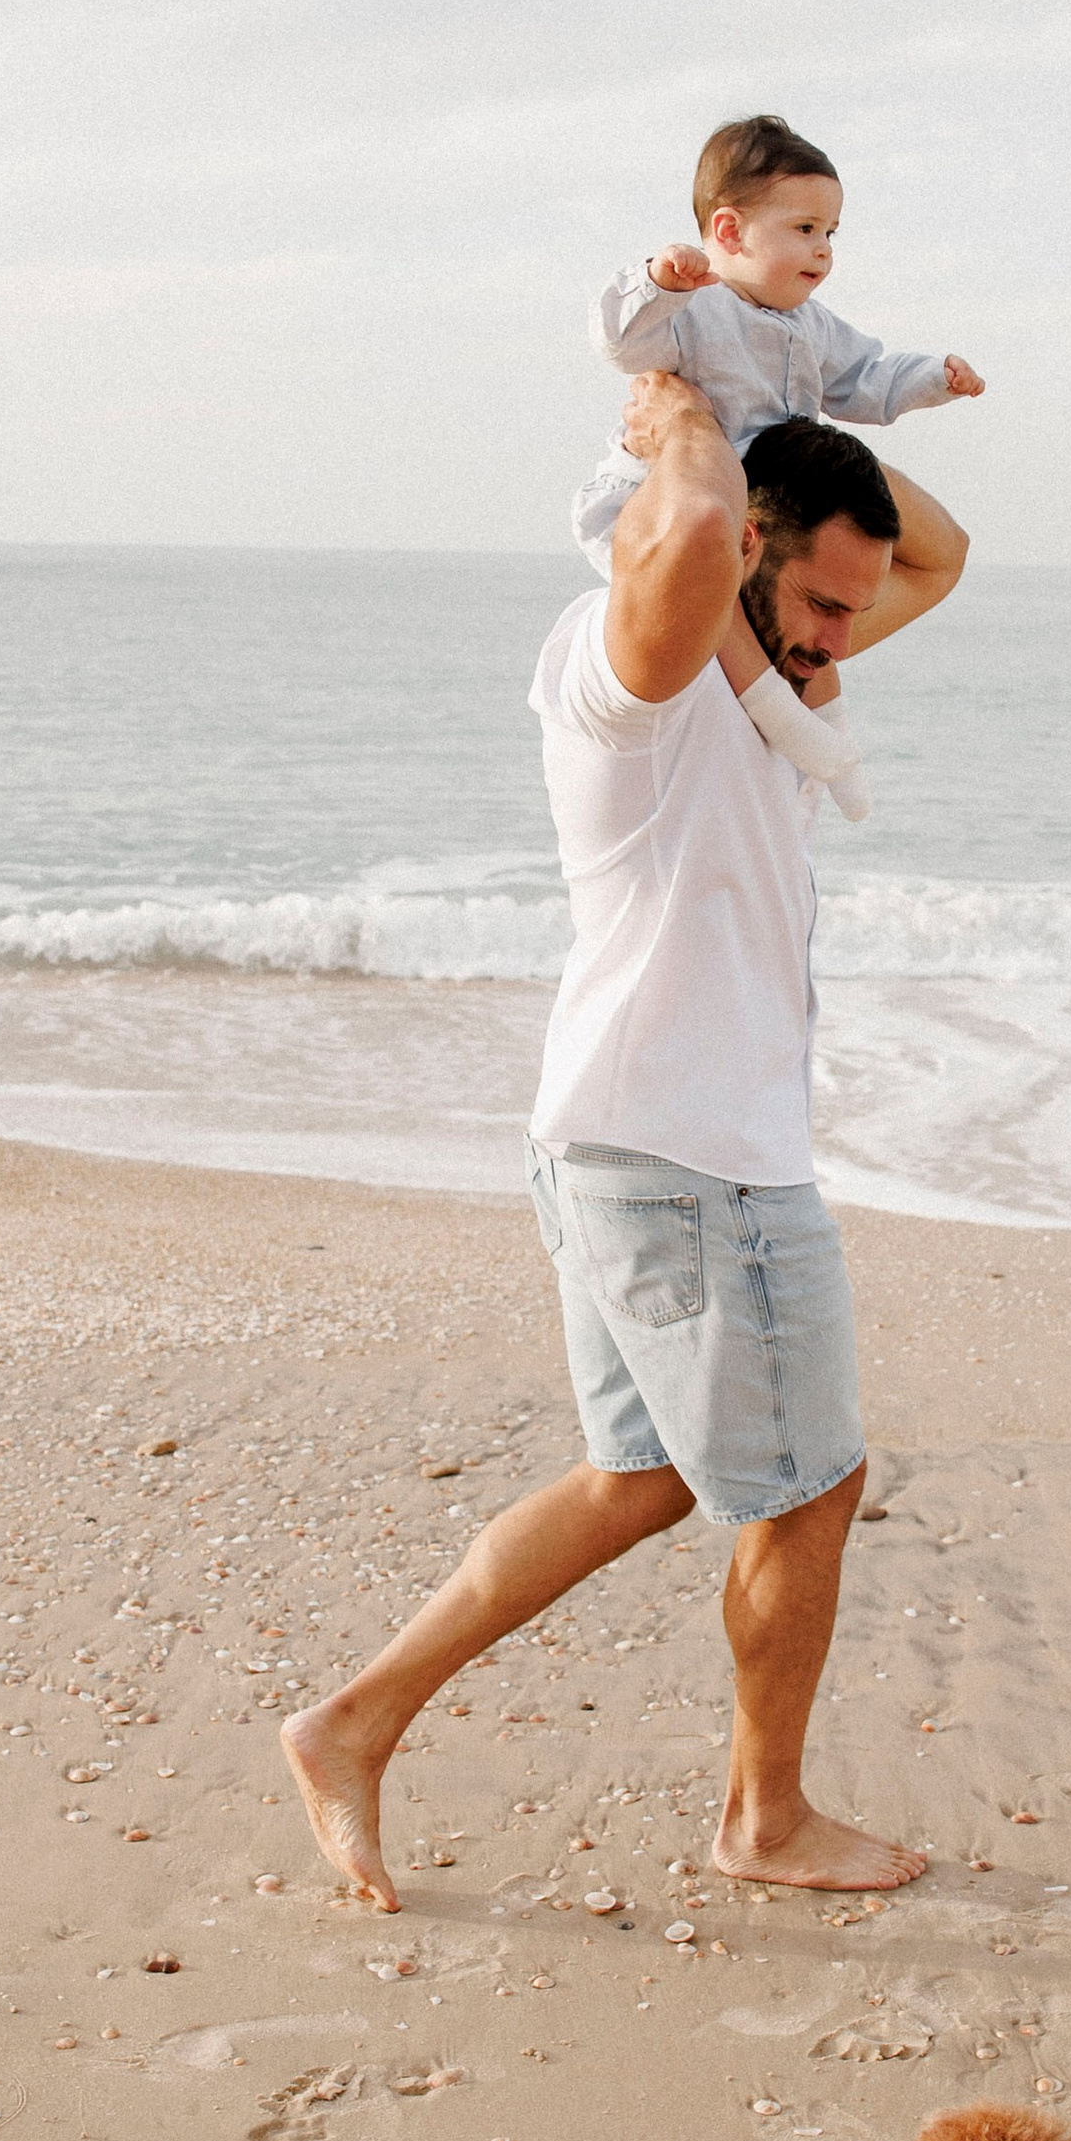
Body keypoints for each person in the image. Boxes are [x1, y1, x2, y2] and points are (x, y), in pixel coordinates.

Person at [281, 381, 968, 1909]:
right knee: (810, 1488)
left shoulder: (781, 681)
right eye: (814, 600)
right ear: (735, 557)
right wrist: (681, 422)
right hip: (688, 1164)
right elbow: (705, 527)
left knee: (637, 1480)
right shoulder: (632, 673)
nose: (842, 641)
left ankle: (351, 1722)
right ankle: (765, 1820)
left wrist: (780, 394)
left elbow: (947, 552)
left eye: (850, 613)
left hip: (631, 1146)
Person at [574, 113, 982, 824]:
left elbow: (868, 378)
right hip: (669, 512)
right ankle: (789, 725)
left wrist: (934, 378)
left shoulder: (811, 326)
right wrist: (656, 280)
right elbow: (620, 339)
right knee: (723, 589)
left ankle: (835, 751)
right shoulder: (698, 307)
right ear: (729, 232)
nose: (823, 250)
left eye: (830, 233)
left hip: (761, 511)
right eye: (804, 230)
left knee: (811, 643)